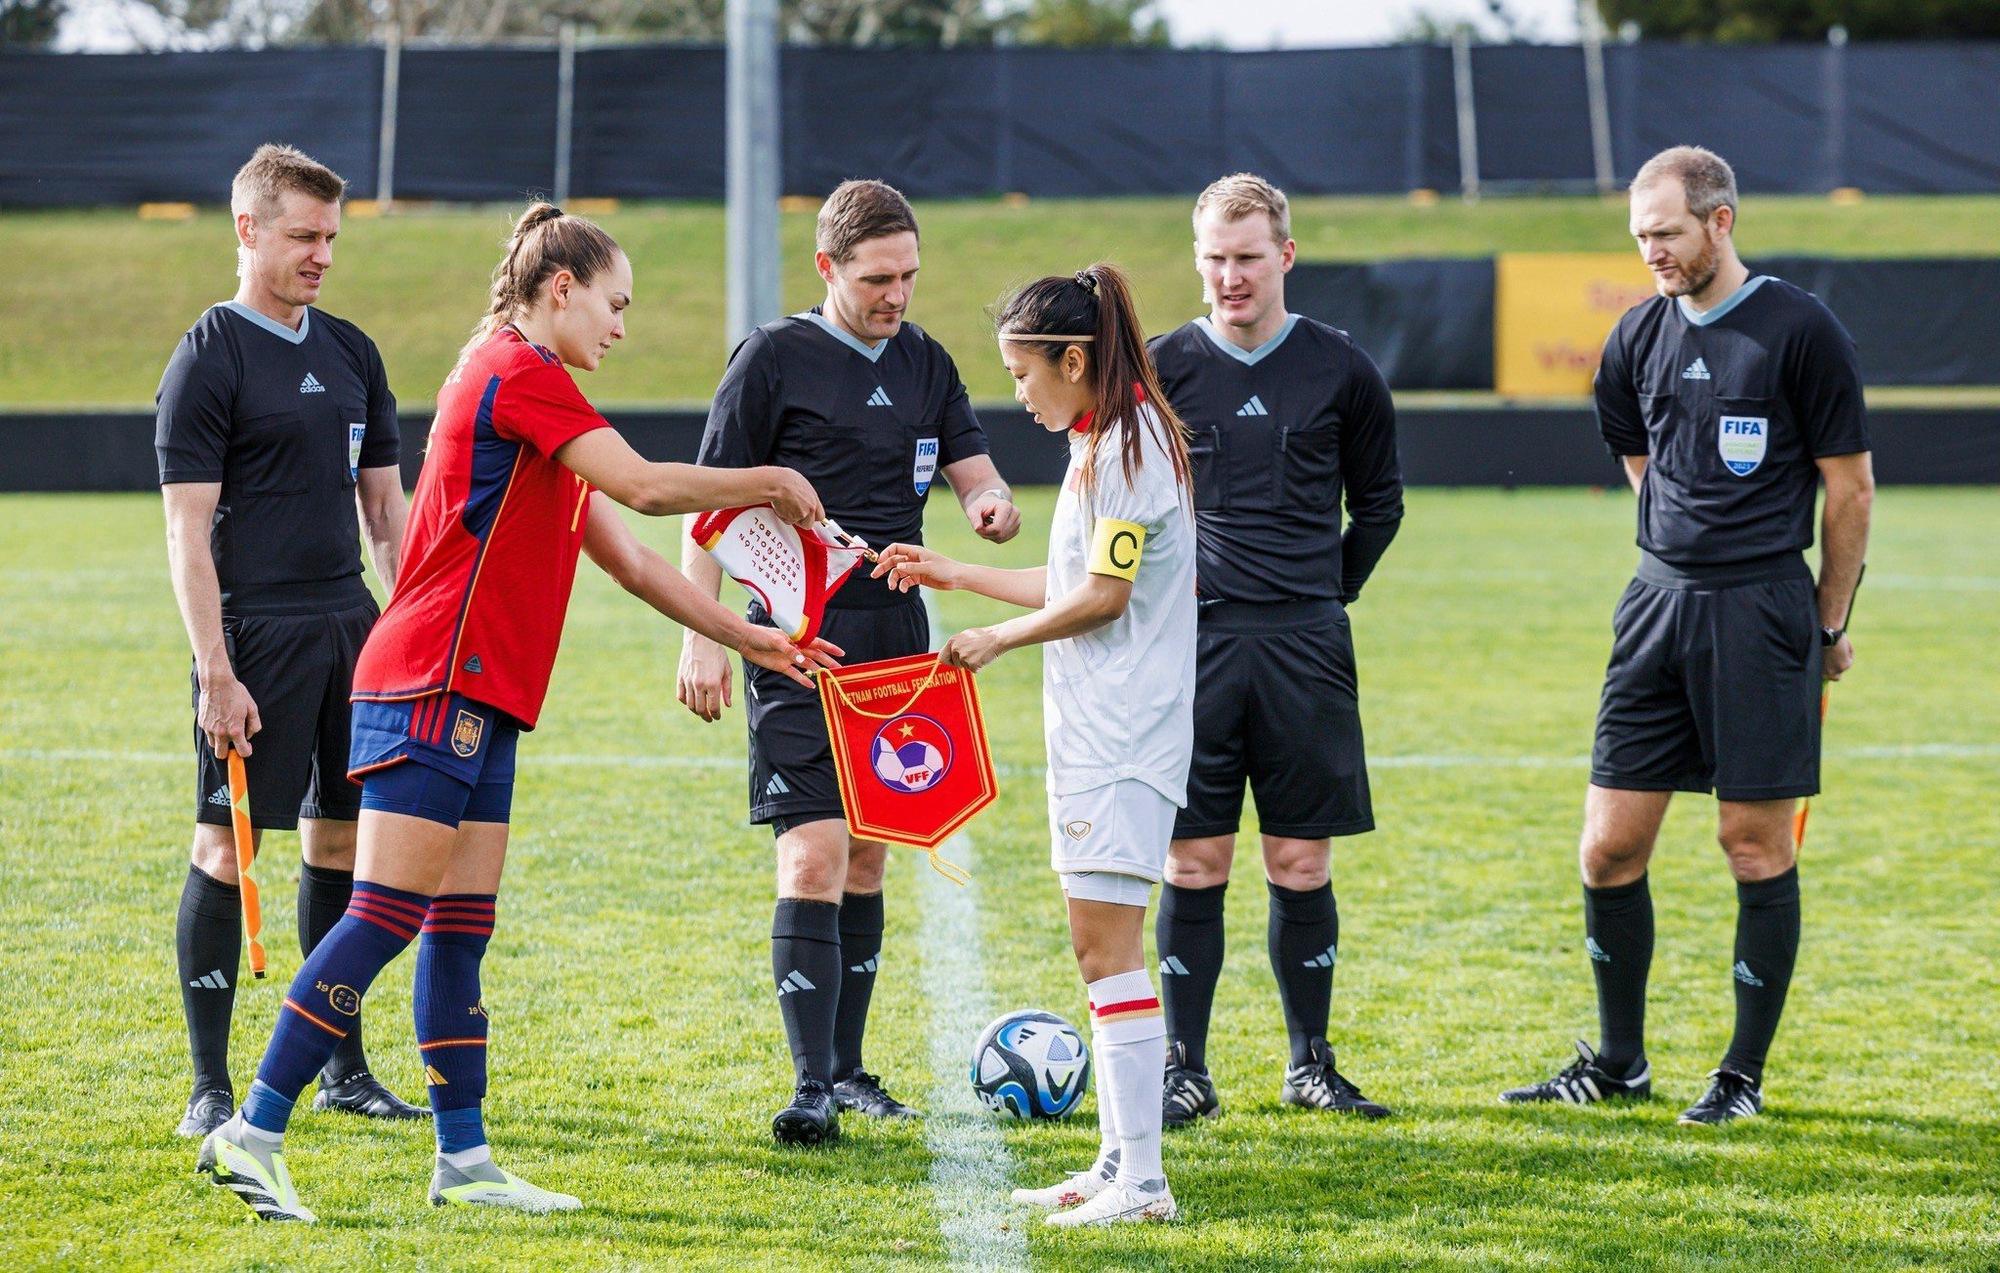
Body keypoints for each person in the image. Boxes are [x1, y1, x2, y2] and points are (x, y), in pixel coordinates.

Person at [196, 203, 835, 1222]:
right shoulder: (517, 371)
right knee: (388, 914)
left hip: (482, 689)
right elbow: (647, 487)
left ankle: (465, 1159)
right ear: (560, 289)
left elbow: (622, 553)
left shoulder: (538, 391)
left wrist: (746, 634)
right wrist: (768, 478)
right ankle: (254, 1128)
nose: (621, 327)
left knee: (458, 925)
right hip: (432, 677)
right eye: (614, 304)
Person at [1500, 146, 1872, 1125]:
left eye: (1665, 233)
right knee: (1607, 847)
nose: (1651, 254)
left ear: (1718, 221)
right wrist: (1674, 540)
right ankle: (1618, 1063)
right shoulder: (1631, 337)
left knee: (1749, 845)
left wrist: (1827, 619)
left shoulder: (1798, 329)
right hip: (1653, 607)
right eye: (1638, 238)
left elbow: (1849, 488)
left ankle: (1739, 1078)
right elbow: (1635, 453)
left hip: (1759, 610)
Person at [676, 179, 1020, 1145]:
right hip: (794, 636)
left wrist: (993, 507)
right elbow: (708, 504)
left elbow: (975, 471)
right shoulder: (771, 358)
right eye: (877, 277)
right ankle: (809, 1086)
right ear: (827, 267)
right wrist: (703, 631)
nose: (896, 294)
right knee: (814, 852)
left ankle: (852, 1068)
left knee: (868, 857)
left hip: (896, 644)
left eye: (909, 275)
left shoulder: (927, 362)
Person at [876, 262, 1195, 1227]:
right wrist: (956, 574)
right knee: (1098, 951)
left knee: (1109, 954)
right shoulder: (1104, 438)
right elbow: (1073, 579)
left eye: (1024, 373)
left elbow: (1103, 599)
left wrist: (992, 641)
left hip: (1124, 737)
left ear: (1072, 358)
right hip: (1101, 731)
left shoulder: (1128, 448)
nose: (1017, 394)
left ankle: (1143, 1182)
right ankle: (1114, 1162)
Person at [157, 143, 422, 1138]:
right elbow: (187, 531)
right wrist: (215, 671)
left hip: (352, 622)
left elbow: (387, 516)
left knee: (348, 841)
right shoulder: (208, 355)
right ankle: (210, 1087)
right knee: (227, 847)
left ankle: (341, 1067)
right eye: (303, 236)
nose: (320, 255)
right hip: (253, 631)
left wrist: (408, 633)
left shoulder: (352, 352)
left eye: (330, 239)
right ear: (248, 230)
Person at [1145, 173, 1403, 1127]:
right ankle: (1184, 1066)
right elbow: (1113, 496)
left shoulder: (1341, 368)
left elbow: (1380, 505)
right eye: (1214, 257)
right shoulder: (1160, 365)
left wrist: (1328, 588)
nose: (1230, 275)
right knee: (1193, 862)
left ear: (1285, 256)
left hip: (1305, 644)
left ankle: (1310, 1063)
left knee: (1301, 861)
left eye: (1248, 256)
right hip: (1195, 648)